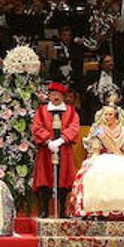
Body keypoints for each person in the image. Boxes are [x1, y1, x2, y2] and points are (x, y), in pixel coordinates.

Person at [70, 101, 124, 219]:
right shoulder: (99, 130)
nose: (107, 117)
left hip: (121, 158)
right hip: (102, 159)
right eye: (105, 114)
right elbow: (96, 151)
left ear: (116, 116)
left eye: (110, 114)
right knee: (94, 175)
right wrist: (91, 161)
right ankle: (96, 208)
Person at [33, 83, 81, 217]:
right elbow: (37, 127)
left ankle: (62, 211)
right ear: (49, 96)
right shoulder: (41, 111)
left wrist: (62, 139)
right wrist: (48, 141)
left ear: (63, 97)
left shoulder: (71, 111)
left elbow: (74, 127)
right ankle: (44, 210)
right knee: (45, 180)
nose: (55, 97)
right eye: (53, 94)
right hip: (46, 150)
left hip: (64, 150)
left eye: (58, 95)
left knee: (64, 181)